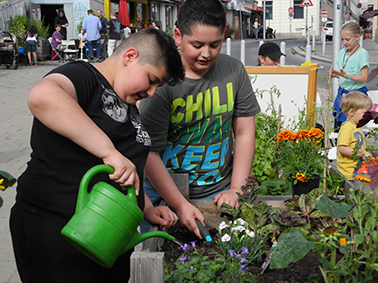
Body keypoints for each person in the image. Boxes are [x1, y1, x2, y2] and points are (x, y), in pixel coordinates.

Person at [9, 28, 184, 283]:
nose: (152, 93)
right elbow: (43, 97)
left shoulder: (128, 104)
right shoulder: (83, 75)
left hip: (107, 235)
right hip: (57, 230)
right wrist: (108, 151)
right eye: (152, 80)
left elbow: (124, 170)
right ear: (130, 56)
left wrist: (145, 207)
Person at [139, 0, 260, 238]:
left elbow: (245, 131)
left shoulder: (234, 70)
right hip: (162, 194)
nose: (206, 54)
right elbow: (149, 151)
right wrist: (179, 203)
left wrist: (236, 188)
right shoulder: (163, 81)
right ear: (178, 36)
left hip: (217, 190)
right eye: (197, 45)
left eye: (215, 45)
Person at [332, 22, 369, 132]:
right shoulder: (342, 52)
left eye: (347, 39)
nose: (344, 42)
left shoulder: (362, 54)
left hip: (356, 96)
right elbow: (344, 74)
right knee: (338, 126)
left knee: (351, 128)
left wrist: (347, 76)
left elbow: (364, 78)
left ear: (357, 37)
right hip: (342, 93)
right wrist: (337, 76)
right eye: (342, 39)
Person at [337, 91, 373, 183]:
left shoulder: (356, 127)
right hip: (348, 174)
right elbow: (342, 148)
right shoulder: (347, 128)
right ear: (352, 112)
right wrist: (362, 153)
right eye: (365, 113)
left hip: (357, 171)